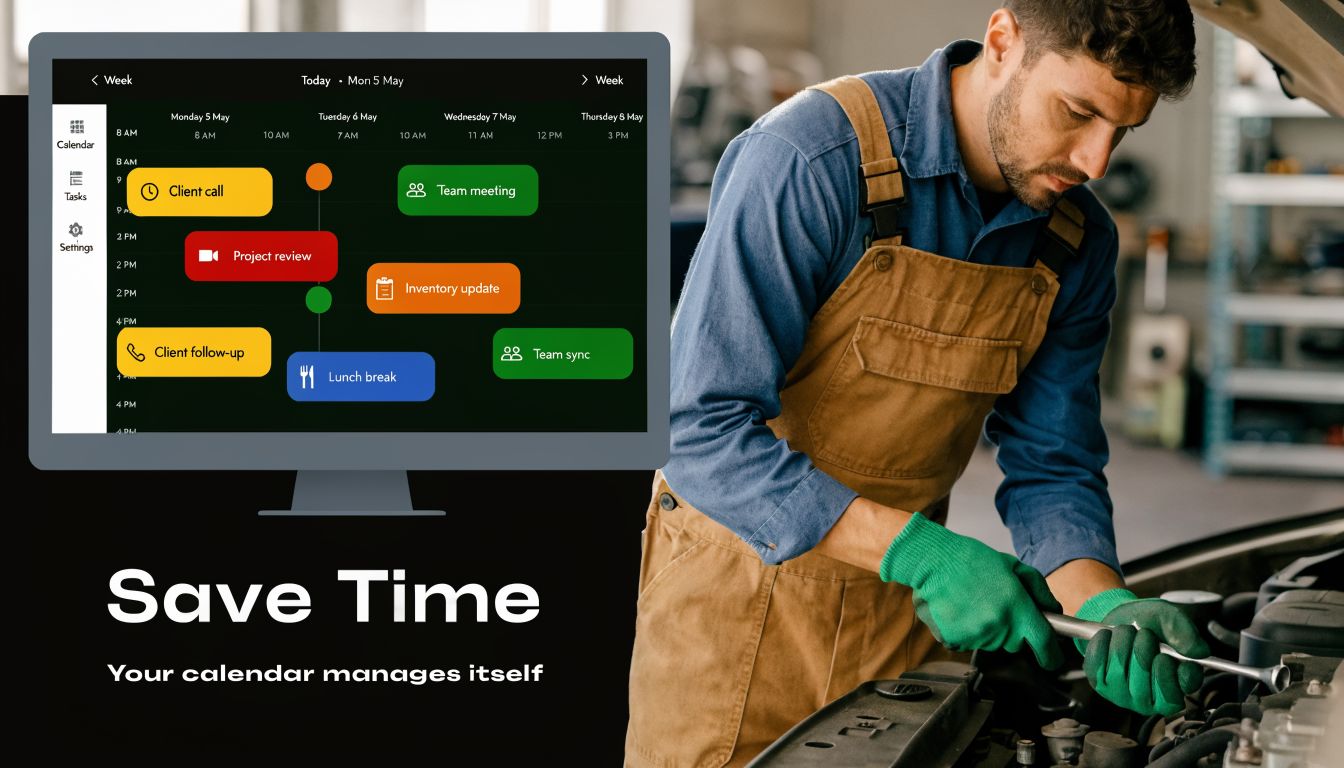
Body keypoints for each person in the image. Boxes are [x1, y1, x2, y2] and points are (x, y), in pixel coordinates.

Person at [626, 2, 1212, 766]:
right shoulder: (811, 158)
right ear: (1003, 42)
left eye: (1123, 130)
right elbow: (693, 427)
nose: (1097, 161)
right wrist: (922, 553)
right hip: (731, 608)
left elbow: (1053, 465)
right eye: (1078, 112)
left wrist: (1101, 601)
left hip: (902, 617)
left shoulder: (1076, 238)